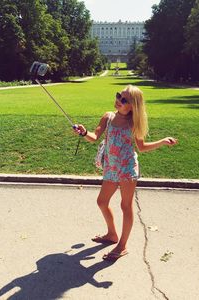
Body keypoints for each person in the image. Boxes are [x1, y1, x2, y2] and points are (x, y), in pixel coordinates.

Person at [74, 85, 177, 262]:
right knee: (102, 202)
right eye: (118, 96)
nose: (119, 100)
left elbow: (142, 148)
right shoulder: (108, 116)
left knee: (125, 206)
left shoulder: (133, 123)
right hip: (111, 168)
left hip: (127, 168)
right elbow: (94, 137)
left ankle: (122, 245)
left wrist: (162, 141)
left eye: (124, 100)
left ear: (133, 106)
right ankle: (112, 234)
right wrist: (83, 132)